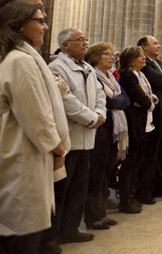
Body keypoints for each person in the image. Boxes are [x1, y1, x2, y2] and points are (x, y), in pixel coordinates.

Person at [0, 0, 68, 254]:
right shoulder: (20, 60)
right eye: (39, 21)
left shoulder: (23, 57)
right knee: (24, 238)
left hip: (29, 155)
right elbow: (36, 115)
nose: (46, 27)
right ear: (19, 25)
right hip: (24, 158)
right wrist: (57, 148)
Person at [46, 28, 106, 245]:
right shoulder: (56, 67)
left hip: (87, 136)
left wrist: (99, 114)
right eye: (80, 40)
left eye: (85, 39)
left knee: (79, 187)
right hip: (69, 137)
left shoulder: (88, 67)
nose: (85, 43)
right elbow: (66, 99)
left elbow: (100, 93)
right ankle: (52, 236)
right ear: (65, 45)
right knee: (62, 189)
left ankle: (70, 229)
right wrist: (91, 118)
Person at [84, 42, 129, 231]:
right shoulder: (93, 75)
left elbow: (125, 100)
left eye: (112, 54)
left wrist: (116, 102)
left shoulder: (111, 76)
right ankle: (93, 216)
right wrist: (116, 102)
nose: (112, 57)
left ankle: (100, 212)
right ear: (96, 57)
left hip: (113, 128)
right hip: (100, 129)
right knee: (96, 173)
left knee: (105, 172)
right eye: (107, 54)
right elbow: (108, 102)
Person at [136, 36, 162, 202]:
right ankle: (149, 188)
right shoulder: (145, 64)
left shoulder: (159, 63)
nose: (158, 46)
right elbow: (160, 81)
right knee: (153, 152)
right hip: (156, 112)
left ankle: (159, 185)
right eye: (155, 43)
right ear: (144, 46)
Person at [117, 46, 154, 214]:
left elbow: (149, 98)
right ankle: (125, 199)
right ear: (131, 61)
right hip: (133, 122)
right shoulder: (128, 76)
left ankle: (132, 194)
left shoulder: (141, 75)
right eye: (140, 56)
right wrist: (145, 101)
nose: (143, 58)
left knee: (137, 161)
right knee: (130, 162)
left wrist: (147, 100)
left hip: (143, 120)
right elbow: (143, 99)